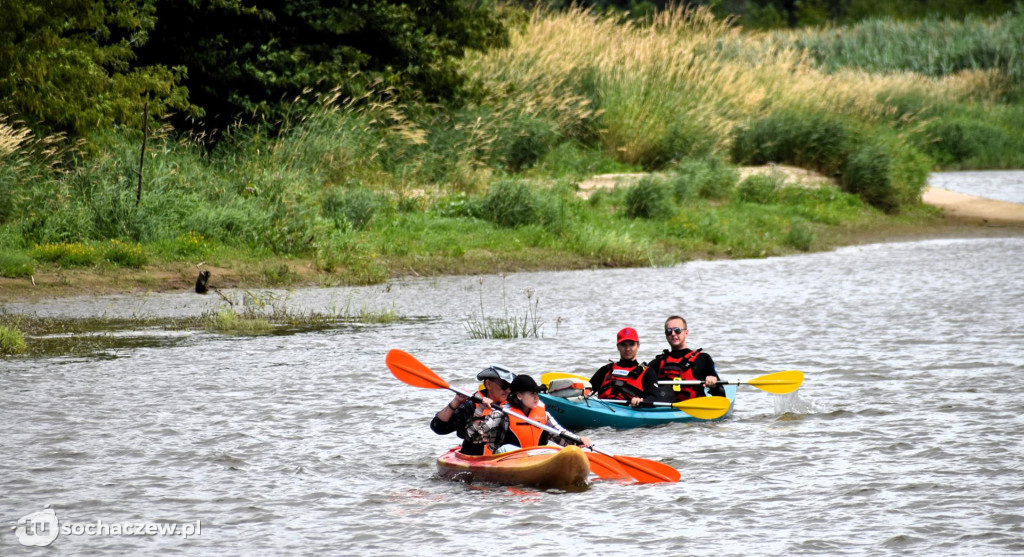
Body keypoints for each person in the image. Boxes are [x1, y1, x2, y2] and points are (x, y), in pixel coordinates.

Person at [468, 375, 592, 455]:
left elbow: (560, 433)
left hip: (536, 459)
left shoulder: (544, 415)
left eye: (537, 393)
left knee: (560, 452)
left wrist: (579, 440)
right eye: (532, 393)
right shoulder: (500, 415)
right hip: (506, 459)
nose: (536, 397)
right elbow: (473, 438)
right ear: (519, 395)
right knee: (506, 448)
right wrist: (480, 411)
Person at [429, 365, 514, 455]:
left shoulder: (515, 405)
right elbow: (438, 428)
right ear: (489, 384)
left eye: (511, 387)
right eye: (504, 386)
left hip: (508, 456)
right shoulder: (470, 406)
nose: (508, 391)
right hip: (475, 456)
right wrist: (456, 401)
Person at [648, 315, 725, 402]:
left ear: (686, 333)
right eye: (669, 331)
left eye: (677, 330)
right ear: (666, 335)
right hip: (664, 409)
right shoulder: (658, 362)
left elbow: (722, 395)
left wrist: (714, 385)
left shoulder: (703, 359)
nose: (673, 334)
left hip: (693, 409)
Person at [589, 327, 659, 407]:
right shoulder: (606, 369)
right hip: (603, 408)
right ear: (618, 346)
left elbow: (654, 397)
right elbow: (588, 389)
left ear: (638, 346)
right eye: (623, 345)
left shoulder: (648, 372)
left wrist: (641, 401)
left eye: (631, 344)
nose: (627, 349)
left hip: (628, 411)